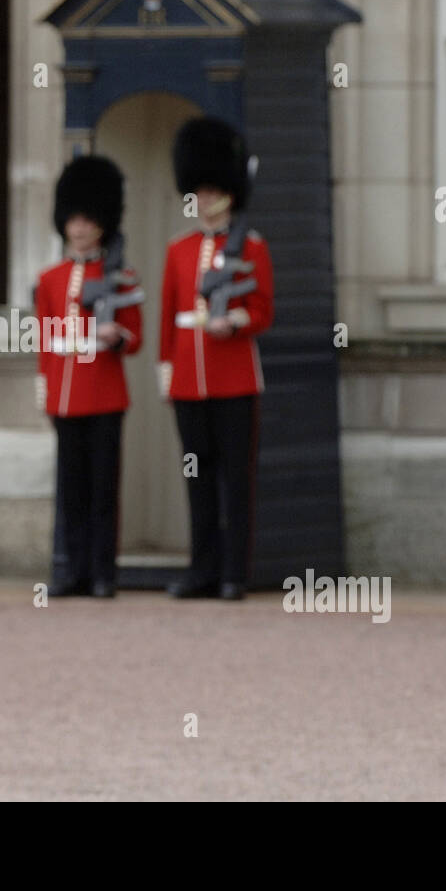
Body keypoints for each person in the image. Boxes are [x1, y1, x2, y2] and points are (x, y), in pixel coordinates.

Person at [159, 117, 273, 601]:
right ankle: (201, 569)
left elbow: (263, 310)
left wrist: (237, 324)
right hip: (189, 380)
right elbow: (169, 318)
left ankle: (234, 573)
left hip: (235, 379)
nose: (203, 200)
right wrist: (168, 373)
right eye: (199, 191)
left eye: (211, 190)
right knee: (197, 479)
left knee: (235, 481)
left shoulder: (251, 247)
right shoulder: (179, 250)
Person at [35, 155, 143, 597]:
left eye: (87, 220)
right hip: (65, 396)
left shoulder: (121, 275)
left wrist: (116, 336)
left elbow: (135, 338)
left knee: (102, 491)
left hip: (105, 394)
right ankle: (70, 570)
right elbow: (44, 339)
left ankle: (103, 573)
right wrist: (45, 392)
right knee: (71, 491)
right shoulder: (50, 279)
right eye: (73, 220)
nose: (78, 229)